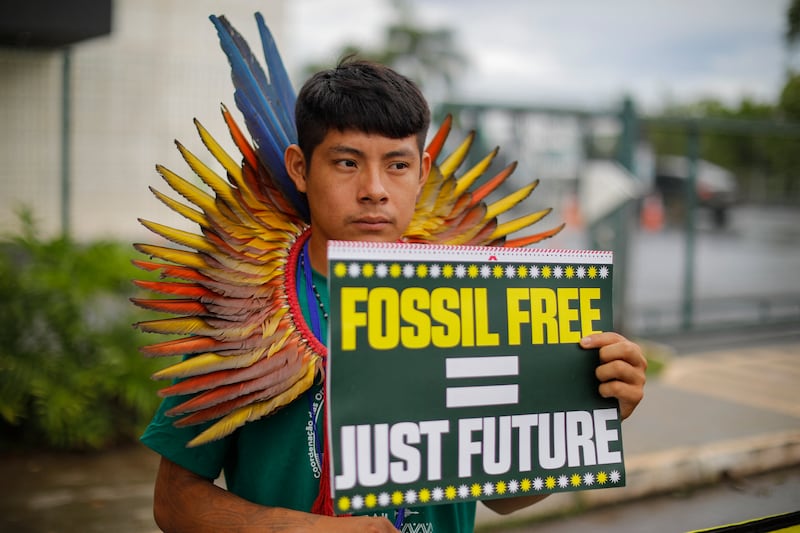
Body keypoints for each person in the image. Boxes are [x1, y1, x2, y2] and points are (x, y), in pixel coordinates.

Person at [141, 57, 647, 533]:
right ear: (299, 167)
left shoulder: (478, 298)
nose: (375, 189)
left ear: (422, 171)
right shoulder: (240, 305)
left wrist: (593, 412)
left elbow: (502, 497)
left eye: (397, 165)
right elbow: (174, 501)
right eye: (346, 162)